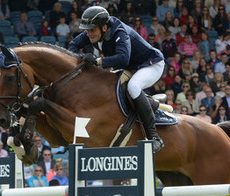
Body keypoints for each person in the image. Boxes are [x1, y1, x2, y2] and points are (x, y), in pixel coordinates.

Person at [68, 6, 165, 152]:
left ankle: (154, 136)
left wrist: (97, 61)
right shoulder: (93, 32)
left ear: (104, 27)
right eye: (87, 30)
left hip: (150, 64)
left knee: (133, 86)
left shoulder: (120, 32)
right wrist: (82, 57)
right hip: (131, 66)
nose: (88, 34)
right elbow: (72, 45)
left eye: (92, 30)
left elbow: (123, 58)